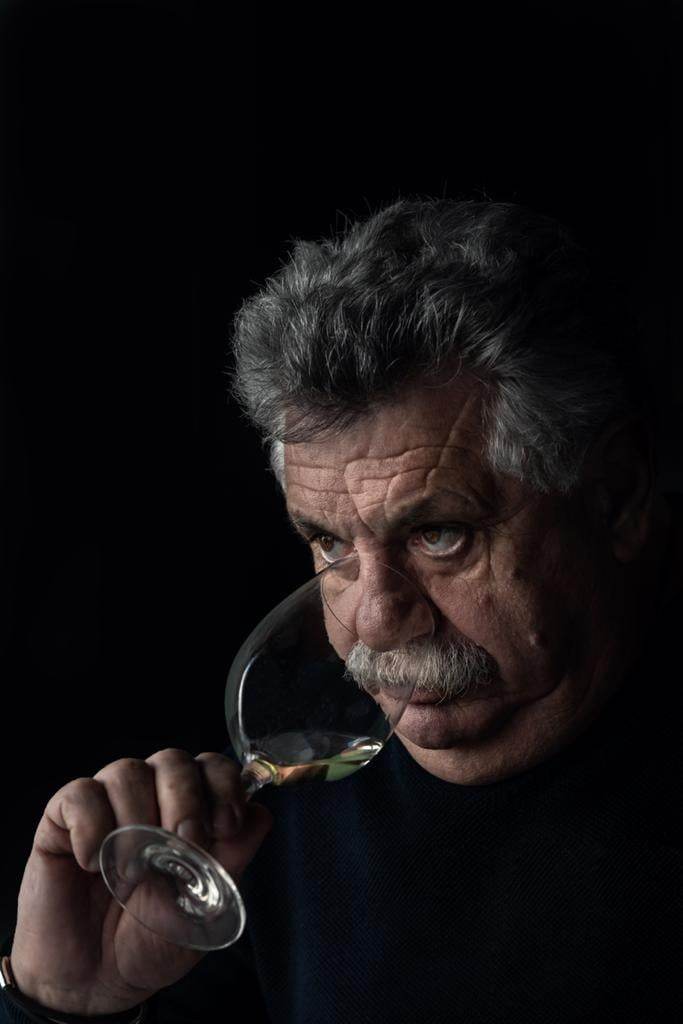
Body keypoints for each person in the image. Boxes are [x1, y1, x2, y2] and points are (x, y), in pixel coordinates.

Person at [1, 198, 681, 1024]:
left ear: (615, 498)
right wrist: (67, 1008)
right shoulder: (271, 812)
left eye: (438, 534)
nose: (374, 619)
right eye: (329, 544)